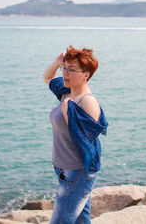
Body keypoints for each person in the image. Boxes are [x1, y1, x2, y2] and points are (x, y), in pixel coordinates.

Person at [42, 46, 108, 224]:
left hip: (77, 172)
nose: (65, 73)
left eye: (71, 70)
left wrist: (67, 114)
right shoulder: (66, 91)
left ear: (86, 75)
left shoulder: (88, 102)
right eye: (65, 68)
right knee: (81, 221)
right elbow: (47, 77)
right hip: (63, 168)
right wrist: (57, 62)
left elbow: (86, 139)